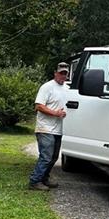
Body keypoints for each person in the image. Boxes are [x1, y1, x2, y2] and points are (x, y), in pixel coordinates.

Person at [29, 62, 70, 191]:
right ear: (55, 73)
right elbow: (39, 106)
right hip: (45, 128)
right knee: (46, 156)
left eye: (65, 73)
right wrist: (55, 113)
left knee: (54, 157)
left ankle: (44, 178)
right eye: (61, 73)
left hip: (58, 129)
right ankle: (35, 181)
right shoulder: (47, 87)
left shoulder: (67, 88)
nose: (63, 75)